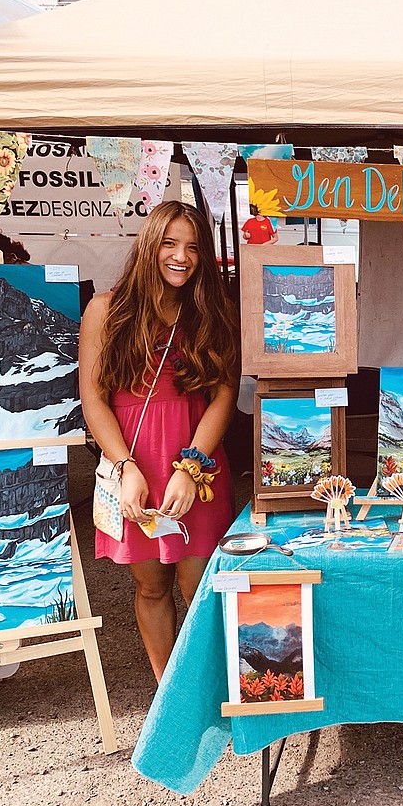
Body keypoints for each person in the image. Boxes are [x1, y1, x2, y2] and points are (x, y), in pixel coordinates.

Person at [79, 201, 239, 681]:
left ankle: (206, 692)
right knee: (151, 587)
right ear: (150, 245)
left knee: (200, 586)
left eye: (192, 247)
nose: (180, 256)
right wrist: (126, 467)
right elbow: (93, 396)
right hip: (133, 460)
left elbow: (225, 393)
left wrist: (191, 467)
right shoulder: (105, 309)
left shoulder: (213, 311)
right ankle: (168, 693)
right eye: (169, 243)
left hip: (197, 458)